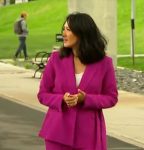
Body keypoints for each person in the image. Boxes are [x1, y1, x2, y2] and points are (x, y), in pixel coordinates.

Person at [37, 12, 118, 150]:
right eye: (64, 29)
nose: (63, 33)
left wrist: (86, 99)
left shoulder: (104, 63)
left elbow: (111, 97)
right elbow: (43, 94)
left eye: (68, 29)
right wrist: (61, 99)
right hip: (57, 133)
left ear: (82, 33)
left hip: (89, 135)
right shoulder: (56, 59)